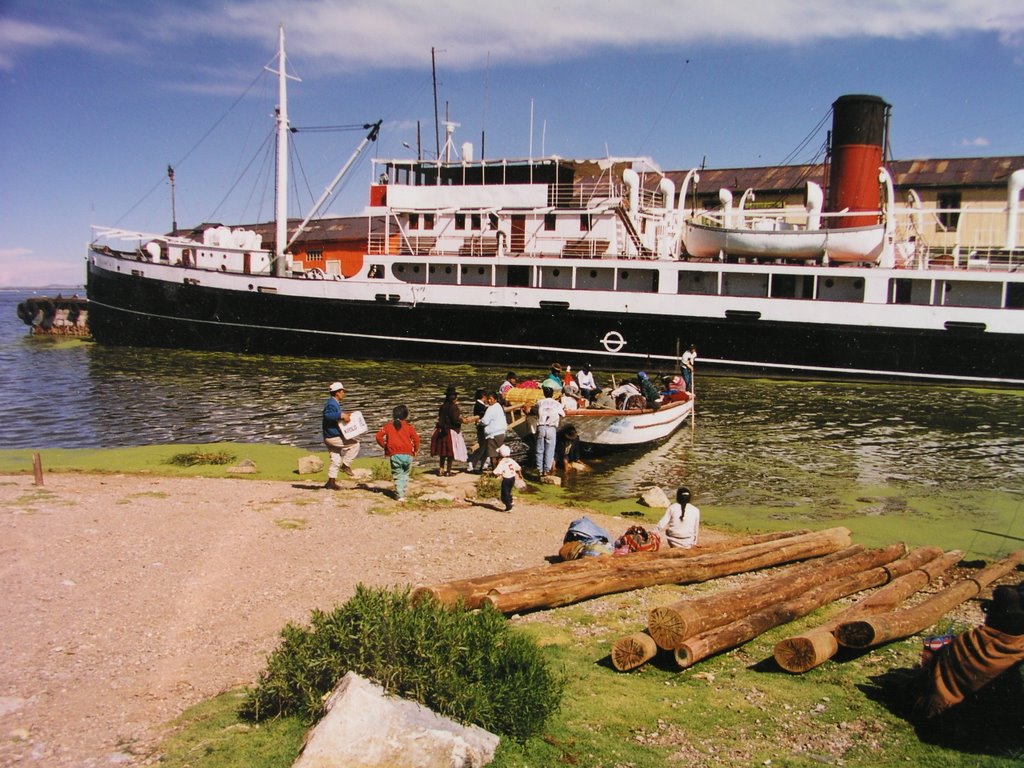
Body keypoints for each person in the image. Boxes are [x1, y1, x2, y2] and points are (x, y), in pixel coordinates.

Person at [375, 405, 420, 502]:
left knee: (398, 474)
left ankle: (400, 495)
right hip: (408, 454)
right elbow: (416, 439)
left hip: (394, 454)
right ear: (405, 416)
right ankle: (402, 492)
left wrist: (385, 446)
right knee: (405, 474)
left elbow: (378, 437)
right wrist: (415, 450)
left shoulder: (387, 426)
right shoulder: (409, 427)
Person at [322, 381, 360, 489]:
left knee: (335, 459)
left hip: (329, 436)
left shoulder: (333, 403)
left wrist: (343, 416)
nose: (344, 393)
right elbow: (327, 415)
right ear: (337, 392)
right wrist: (341, 415)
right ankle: (346, 465)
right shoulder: (331, 403)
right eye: (342, 391)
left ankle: (331, 482)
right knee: (355, 444)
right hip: (332, 436)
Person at [429, 385, 470, 476]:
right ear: (454, 398)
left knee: (443, 453)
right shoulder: (454, 407)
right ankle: (448, 471)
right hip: (451, 432)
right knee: (450, 453)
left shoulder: (442, 406)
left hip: (442, 431)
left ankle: (441, 469)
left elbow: (441, 418)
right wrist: (462, 420)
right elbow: (455, 420)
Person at [531, 385, 565, 475]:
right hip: (551, 427)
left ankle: (539, 469)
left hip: (541, 426)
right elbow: (563, 414)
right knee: (550, 449)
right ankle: (547, 470)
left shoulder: (540, 402)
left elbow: (534, 410)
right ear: (552, 394)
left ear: (544, 394)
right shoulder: (557, 404)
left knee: (539, 449)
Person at [476, 391, 508, 470]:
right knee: (500, 453)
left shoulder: (491, 408)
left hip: (493, 434)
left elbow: (485, 421)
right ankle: (500, 470)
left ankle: (494, 471)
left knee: (492, 454)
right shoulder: (499, 406)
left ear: (495, 399)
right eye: (488, 399)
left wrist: (479, 422)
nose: (489, 401)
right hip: (501, 433)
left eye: (491, 399)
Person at [492, 444, 523, 512]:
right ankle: (511, 501)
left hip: (506, 479)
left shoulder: (502, 462)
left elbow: (497, 472)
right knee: (509, 491)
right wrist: (520, 475)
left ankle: (508, 506)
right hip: (512, 478)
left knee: (504, 494)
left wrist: (494, 475)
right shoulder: (511, 460)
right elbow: (519, 468)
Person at [467, 388, 488, 471]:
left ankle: (484, 464)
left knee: (486, 446)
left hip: (482, 427)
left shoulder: (479, 405)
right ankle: (472, 463)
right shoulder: (480, 406)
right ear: (483, 396)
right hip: (482, 428)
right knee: (482, 446)